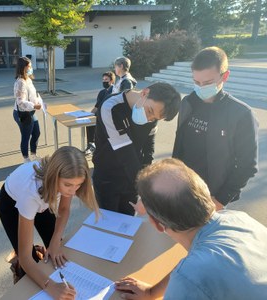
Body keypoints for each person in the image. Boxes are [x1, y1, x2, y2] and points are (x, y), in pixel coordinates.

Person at [116, 158, 267, 299]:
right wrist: (152, 292)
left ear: (156, 223)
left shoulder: (190, 277)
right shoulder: (237, 218)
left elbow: (189, 275)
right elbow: (189, 267)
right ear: (205, 192)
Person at [0, 146, 99, 299]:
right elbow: (26, 258)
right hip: (12, 204)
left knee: (56, 250)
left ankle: (44, 258)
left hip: (44, 198)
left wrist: (55, 241)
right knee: (28, 261)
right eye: (68, 185)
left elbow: (64, 209)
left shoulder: (67, 179)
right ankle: (21, 274)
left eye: (78, 185)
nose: (73, 192)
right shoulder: (30, 193)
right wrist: (50, 286)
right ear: (54, 177)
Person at [172, 46, 258, 210]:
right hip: (183, 189)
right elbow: (180, 146)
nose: (201, 87)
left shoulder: (241, 114)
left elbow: (247, 165)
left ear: (225, 76)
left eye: (208, 82)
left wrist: (220, 200)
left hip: (214, 196)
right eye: (196, 82)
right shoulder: (188, 103)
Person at [92, 82, 181, 215]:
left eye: (155, 118)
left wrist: (144, 178)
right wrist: (146, 193)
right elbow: (125, 154)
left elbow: (148, 149)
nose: (149, 118)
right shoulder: (111, 107)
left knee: (127, 224)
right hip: (107, 177)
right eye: (149, 111)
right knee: (109, 224)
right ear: (144, 93)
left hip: (132, 179)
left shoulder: (153, 117)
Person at [13, 56, 42, 163]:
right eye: (29, 66)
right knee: (26, 135)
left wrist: (38, 101)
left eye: (31, 66)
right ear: (23, 67)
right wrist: (34, 106)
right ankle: (26, 158)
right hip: (23, 113)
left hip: (30, 112)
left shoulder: (28, 79)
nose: (31, 68)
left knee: (36, 133)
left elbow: (32, 95)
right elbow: (20, 102)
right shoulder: (20, 82)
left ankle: (33, 155)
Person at [83, 71, 115, 156]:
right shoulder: (102, 92)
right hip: (99, 114)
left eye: (106, 79)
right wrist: (88, 115)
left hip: (108, 116)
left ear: (111, 81)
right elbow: (96, 107)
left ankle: (99, 148)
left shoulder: (114, 92)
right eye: (103, 79)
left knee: (98, 128)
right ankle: (91, 145)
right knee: (89, 123)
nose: (104, 81)